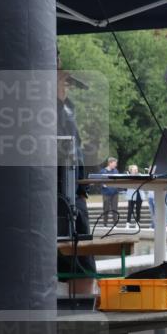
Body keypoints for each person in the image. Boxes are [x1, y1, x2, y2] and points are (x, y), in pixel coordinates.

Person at [56, 51, 97, 295]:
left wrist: (82, 191)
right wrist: (57, 101)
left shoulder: (68, 107)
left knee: (83, 266)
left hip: (74, 194)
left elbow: (75, 146)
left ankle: (83, 316)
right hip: (54, 195)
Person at [99, 157, 121, 225]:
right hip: (106, 193)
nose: (116, 165)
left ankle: (115, 224)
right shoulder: (103, 171)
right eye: (115, 163)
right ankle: (105, 223)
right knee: (106, 209)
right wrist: (103, 185)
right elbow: (99, 181)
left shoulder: (116, 171)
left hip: (115, 193)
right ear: (110, 163)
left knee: (115, 209)